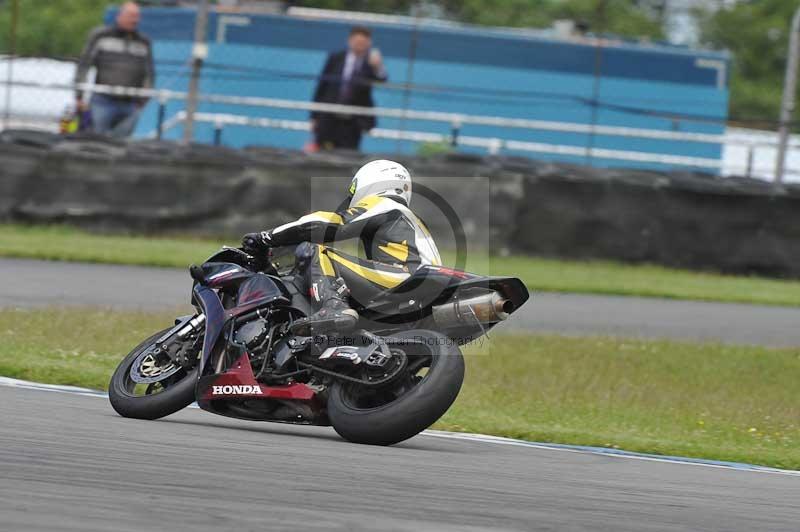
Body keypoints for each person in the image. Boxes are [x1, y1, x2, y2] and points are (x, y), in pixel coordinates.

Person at [242, 160, 441, 336]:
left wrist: (265, 237)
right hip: (426, 289)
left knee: (315, 251)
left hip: (405, 276)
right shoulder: (414, 219)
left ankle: (333, 307)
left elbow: (325, 224)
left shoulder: (384, 204)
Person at [74, 1, 154, 138]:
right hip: (103, 101)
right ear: (120, 16)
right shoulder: (100, 36)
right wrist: (79, 95)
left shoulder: (143, 42)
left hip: (130, 104)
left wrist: (144, 99)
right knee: (96, 141)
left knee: (121, 144)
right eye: (131, 15)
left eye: (137, 16)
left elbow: (149, 73)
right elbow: (84, 64)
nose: (135, 20)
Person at [310, 26, 388, 151]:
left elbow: (382, 79)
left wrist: (378, 66)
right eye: (357, 42)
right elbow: (322, 86)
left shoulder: (370, 63)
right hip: (328, 117)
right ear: (350, 41)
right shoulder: (336, 58)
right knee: (322, 152)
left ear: (369, 43)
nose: (359, 45)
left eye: (363, 43)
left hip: (353, 122)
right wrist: (314, 116)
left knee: (348, 155)